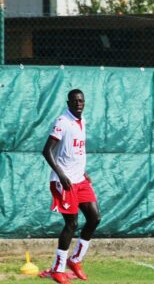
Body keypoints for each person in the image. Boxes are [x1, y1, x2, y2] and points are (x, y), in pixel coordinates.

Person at [42, 89, 101, 284]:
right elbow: (46, 151)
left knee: (94, 218)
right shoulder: (62, 121)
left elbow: (75, 150)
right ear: (68, 102)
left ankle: (75, 260)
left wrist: (82, 171)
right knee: (72, 224)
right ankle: (58, 269)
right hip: (64, 181)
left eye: (81, 100)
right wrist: (61, 173)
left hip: (80, 179)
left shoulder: (82, 121)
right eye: (75, 100)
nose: (78, 103)